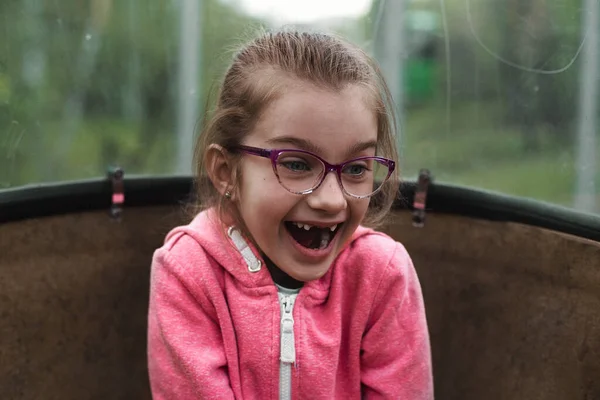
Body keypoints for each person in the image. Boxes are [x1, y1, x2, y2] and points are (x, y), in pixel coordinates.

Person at [147, 29, 434, 399]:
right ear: (224, 172)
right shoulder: (187, 272)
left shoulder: (382, 275)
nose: (332, 200)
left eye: (357, 168)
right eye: (297, 164)